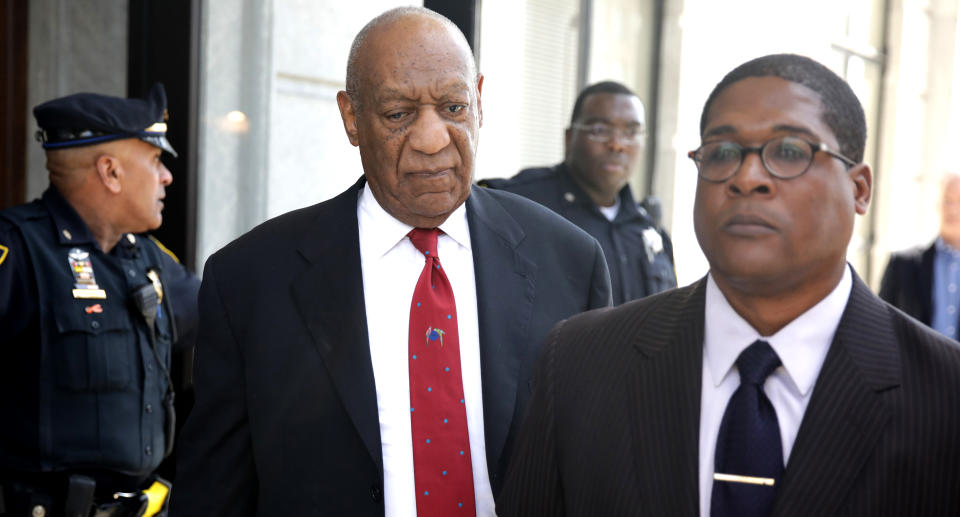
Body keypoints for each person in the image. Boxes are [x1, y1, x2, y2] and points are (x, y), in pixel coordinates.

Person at [169, 7, 611, 517]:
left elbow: (600, 472)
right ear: (352, 118)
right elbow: (213, 495)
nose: (432, 139)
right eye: (399, 114)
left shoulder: (570, 262)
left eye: (453, 107)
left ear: (480, 102)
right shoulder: (251, 281)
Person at [498, 54, 960, 517]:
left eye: (789, 151)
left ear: (859, 188)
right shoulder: (581, 362)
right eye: (722, 153)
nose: (747, 177)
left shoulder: (944, 394)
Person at [0, 84, 200, 517]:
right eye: (155, 160)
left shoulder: (149, 258)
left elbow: (233, 319)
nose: (166, 176)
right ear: (110, 172)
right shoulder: (16, 250)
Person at [482, 81, 675, 304]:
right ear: (569, 138)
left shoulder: (648, 229)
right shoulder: (519, 204)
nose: (617, 144)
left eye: (631, 132)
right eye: (600, 131)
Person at [879, 174, 960, 339]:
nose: (952, 209)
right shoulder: (902, 264)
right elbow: (880, 323)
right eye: (947, 201)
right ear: (937, 205)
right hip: (911, 364)